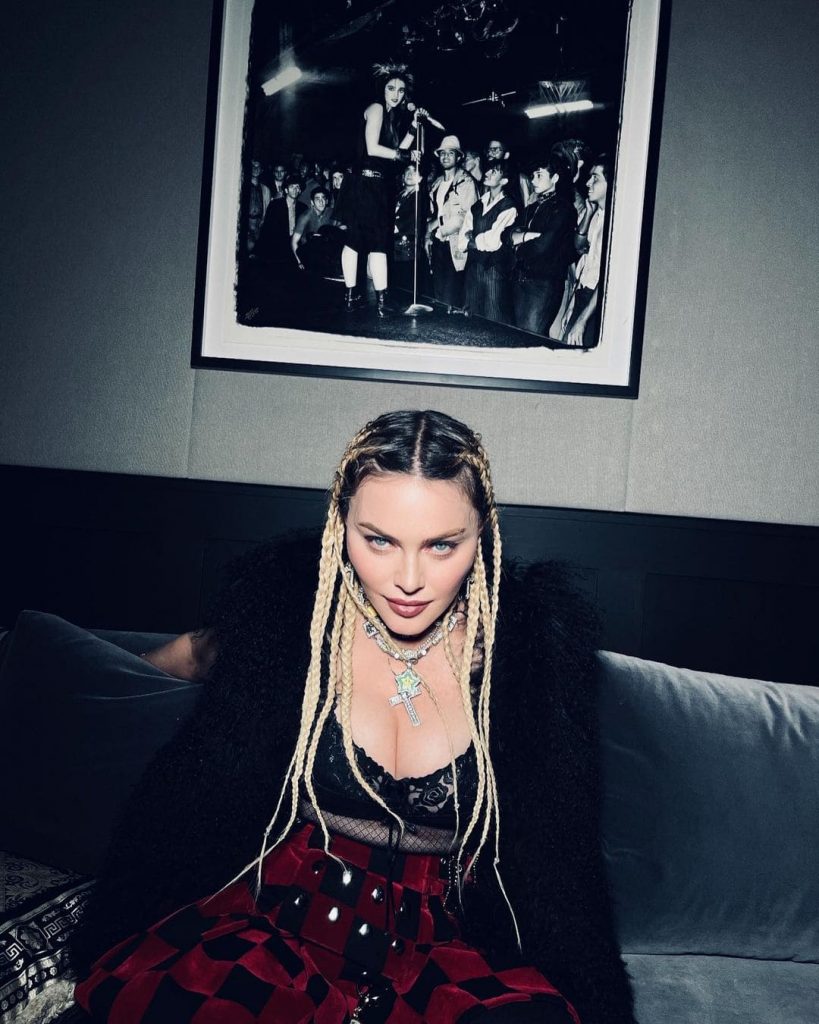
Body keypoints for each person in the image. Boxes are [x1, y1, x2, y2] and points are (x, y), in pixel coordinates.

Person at [70, 410, 635, 1024]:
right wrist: (69, 676)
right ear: (341, 523)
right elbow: (192, 664)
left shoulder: (530, 659)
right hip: (275, 920)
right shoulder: (287, 620)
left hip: (442, 945)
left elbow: (563, 865)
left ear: (484, 535)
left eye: (442, 545)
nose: (409, 580)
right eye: (379, 540)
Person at [333, 63, 420, 317]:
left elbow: (398, 151)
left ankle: (381, 300)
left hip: (379, 186)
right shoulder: (376, 108)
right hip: (363, 183)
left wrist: (414, 127)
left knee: (379, 242)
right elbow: (373, 148)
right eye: (391, 88)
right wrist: (403, 155)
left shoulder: (391, 118)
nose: (396, 94)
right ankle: (352, 296)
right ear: (382, 88)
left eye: (401, 90)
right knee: (357, 240)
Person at [510, 155, 576, 336]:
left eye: (539, 175)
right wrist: (527, 236)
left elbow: (542, 247)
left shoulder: (564, 209)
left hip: (543, 284)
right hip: (521, 279)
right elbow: (506, 235)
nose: (533, 181)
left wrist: (518, 244)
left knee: (531, 337)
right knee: (518, 335)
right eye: (532, 176)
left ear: (555, 178)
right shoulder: (532, 207)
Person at [559, 158, 610, 349]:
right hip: (583, 294)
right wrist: (572, 305)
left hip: (597, 304)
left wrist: (582, 321)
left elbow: (607, 279)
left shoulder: (616, 222)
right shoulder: (596, 215)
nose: (588, 183)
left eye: (595, 178)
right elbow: (580, 250)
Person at [459, 159, 518, 321]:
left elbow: (493, 241)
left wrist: (473, 239)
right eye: (488, 170)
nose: (487, 173)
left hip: (494, 272)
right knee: (470, 317)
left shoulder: (509, 206)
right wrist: (475, 241)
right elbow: (462, 240)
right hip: (473, 270)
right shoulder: (477, 205)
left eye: (494, 172)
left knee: (493, 318)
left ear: (504, 180)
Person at [425, 136, 478, 315]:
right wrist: (428, 234)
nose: (446, 156)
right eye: (442, 153)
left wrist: (437, 226)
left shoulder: (466, 182)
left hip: (455, 246)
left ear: (458, 157)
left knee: (452, 298)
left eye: (450, 153)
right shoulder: (437, 183)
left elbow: (465, 216)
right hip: (437, 244)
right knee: (438, 295)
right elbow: (432, 212)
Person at [255, 174, 306, 266]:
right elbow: (267, 229)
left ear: (300, 190)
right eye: (292, 187)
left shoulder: (303, 208)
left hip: (294, 248)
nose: (295, 190)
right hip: (277, 248)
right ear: (286, 190)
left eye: (297, 187)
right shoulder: (275, 205)